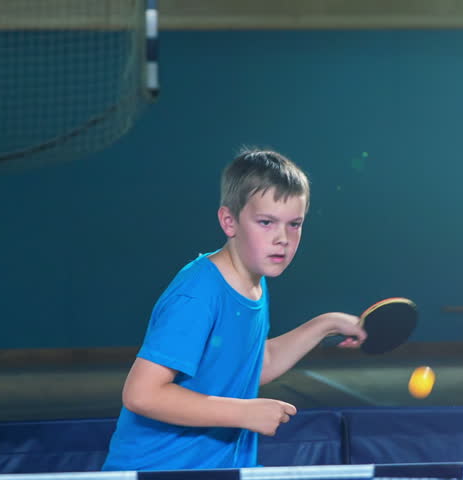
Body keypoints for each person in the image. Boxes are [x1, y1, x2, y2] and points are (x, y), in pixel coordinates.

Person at [102, 148, 367, 471]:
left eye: (294, 224)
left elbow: (255, 363)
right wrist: (244, 412)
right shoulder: (199, 295)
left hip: (219, 470)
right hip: (160, 470)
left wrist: (328, 323)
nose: (282, 238)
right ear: (230, 221)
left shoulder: (253, 281)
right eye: (266, 222)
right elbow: (142, 394)